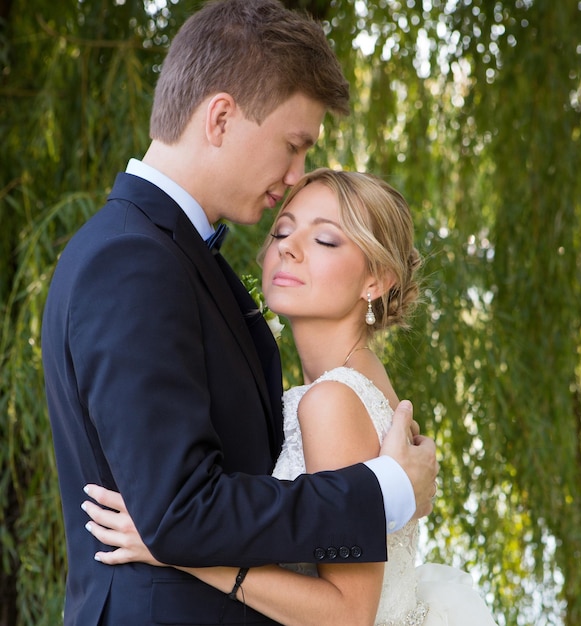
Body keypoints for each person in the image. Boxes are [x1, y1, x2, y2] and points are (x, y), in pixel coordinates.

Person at [41, 2, 438, 625]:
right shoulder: (131, 260)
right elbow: (177, 513)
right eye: (293, 144)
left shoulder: (184, 262)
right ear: (221, 117)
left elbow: (185, 513)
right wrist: (385, 489)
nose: (296, 174)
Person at [82, 168, 498, 626]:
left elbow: (346, 614)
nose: (288, 246)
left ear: (375, 280)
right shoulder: (349, 386)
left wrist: (178, 548)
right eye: (282, 229)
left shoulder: (334, 400)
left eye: (325, 240)